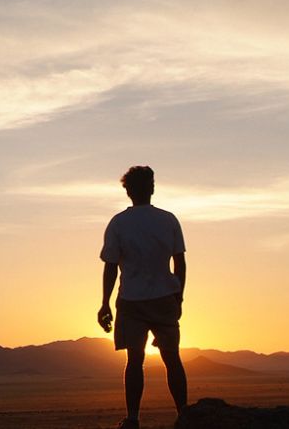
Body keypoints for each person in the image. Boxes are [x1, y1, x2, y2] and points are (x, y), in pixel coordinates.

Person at [98, 165, 187, 429]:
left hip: (132, 300)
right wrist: (178, 297)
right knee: (172, 358)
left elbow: (111, 265)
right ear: (151, 188)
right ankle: (184, 414)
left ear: (128, 191)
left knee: (134, 360)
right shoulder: (168, 220)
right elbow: (179, 263)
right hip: (164, 297)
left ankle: (133, 418)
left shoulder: (118, 223)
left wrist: (104, 303)